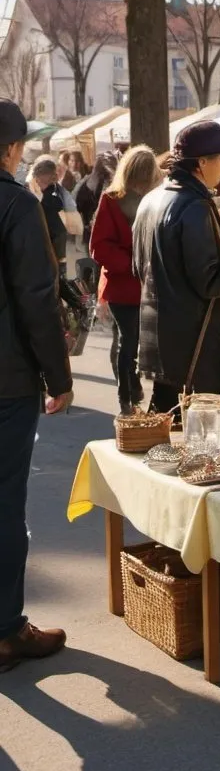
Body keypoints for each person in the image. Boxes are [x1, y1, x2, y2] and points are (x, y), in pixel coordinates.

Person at [133, 122, 220, 412]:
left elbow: (140, 267)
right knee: (204, 439)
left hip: (163, 338)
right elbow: (212, 281)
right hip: (198, 344)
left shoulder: (153, 198)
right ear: (201, 162)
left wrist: (219, 229)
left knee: (165, 431)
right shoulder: (194, 206)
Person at [0, 99, 73, 673]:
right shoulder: (17, 204)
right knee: (4, 503)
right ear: (13, 147)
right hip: (7, 379)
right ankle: (5, 629)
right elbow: (35, 299)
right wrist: (59, 374)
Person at [90, 145, 162, 414]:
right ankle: (126, 396)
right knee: (128, 341)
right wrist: (133, 264)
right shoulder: (112, 199)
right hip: (124, 284)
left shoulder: (157, 198)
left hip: (149, 284)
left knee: (142, 342)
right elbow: (98, 245)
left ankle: (137, 390)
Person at [29, 156, 68, 275]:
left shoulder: (49, 198)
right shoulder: (56, 192)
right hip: (60, 243)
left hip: (54, 246)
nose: (35, 182)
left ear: (42, 178)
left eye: (36, 179)